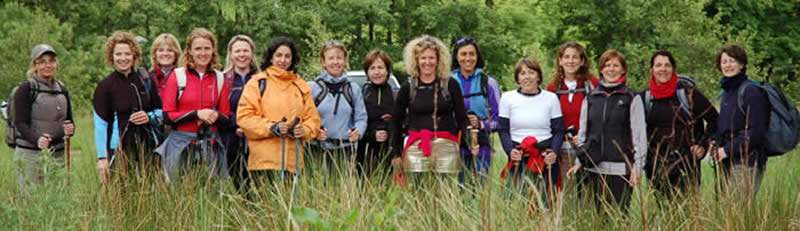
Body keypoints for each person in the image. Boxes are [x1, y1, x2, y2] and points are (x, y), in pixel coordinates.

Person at [566, 49, 646, 215]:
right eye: (607, 65)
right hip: (593, 169)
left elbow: (639, 136)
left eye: (616, 65)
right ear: (601, 69)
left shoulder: (631, 97)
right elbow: (583, 134)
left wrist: (638, 168)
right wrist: (579, 162)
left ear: (623, 69)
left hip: (620, 169)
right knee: (597, 219)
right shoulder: (591, 98)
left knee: (619, 218)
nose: (611, 69)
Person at [236, 36, 321, 187]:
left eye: (287, 56)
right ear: (271, 57)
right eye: (279, 55)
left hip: (292, 162)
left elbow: (313, 120)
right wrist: (271, 127)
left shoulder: (301, 86)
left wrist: (305, 130)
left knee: (291, 208)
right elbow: (245, 117)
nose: (283, 60)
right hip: (263, 162)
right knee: (266, 208)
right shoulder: (257, 83)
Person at [155, 28, 232, 183]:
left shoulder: (219, 78)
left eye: (207, 48)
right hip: (180, 144)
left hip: (211, 144)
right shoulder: (177, 76)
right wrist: (197, 114)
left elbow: (226, 117)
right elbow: (167, 116)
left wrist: (215, 116)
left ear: (213, 50)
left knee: (212, 194)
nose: (202, 53)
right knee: (179, 195)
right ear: (189, 51)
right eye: (198, 49)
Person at [390, 35, 468, 184]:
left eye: (431, 58)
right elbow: (396, 120)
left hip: (447, 145)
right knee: (417, 192)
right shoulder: (409, 86)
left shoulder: (450, 84)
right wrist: (396, 152)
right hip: (416, 146)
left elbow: (461, 118)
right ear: (416, 60)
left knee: (446, 192)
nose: (427, 62)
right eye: (423, 58)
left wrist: (469, 143)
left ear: (438, 60)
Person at [641, 50, 718, 199]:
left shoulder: (688, 94)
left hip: (686, 164)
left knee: (688, 212)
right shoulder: (644, 97)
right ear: (651, 70)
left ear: (673, 69)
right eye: (658, 65)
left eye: (667, 65)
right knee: (663, 213)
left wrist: (703, 145)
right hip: (655, 165)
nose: (663, 69)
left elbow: (714, 119)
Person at [94, 31, 163, 184]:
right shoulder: (105, 86)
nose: (123, 58)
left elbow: (161, 111)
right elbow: (100, 124)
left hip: (147, 147)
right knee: (122, 194)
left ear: (134, 56)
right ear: (111, 56)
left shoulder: (146, 79)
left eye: (127, 54)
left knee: (149, 193)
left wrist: (149, 117)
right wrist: (102, 158)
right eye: (118, 54)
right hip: (119, 150)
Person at [498, 58, 563, 208]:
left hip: (544, 157)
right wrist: (509, 151)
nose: (527, 77)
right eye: (523, 73)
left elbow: (559, 130)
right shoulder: (507, 98)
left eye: (531, 72)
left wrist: (554, 152)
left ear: (538, 76)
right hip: (519, 155)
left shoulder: (551, 98)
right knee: (515, 202)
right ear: (517, 77)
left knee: (545, 203)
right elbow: (503, 129)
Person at [13, 44, 74, 192]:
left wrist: (71, 129)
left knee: (57, 199)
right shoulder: (26, 88)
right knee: (31, 200)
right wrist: (37, 140)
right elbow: (20, 122)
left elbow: (69, 120)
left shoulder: (62, 88)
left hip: (57, 154)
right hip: (30, 155)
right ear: (35, 65)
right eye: (42, 61)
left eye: (51, 61)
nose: (48, 65)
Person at [711, 44, 769, 200]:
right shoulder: (728, 92)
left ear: (741, 64)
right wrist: (714, 142)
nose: (728, 65)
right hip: (727, 161)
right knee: (727, 213)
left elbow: (756, 132)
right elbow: (724, 127)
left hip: (747, 162)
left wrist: (726, 150)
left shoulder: (751, 91)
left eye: (732, 61)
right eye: (724, 62)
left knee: (739, 212)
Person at [308, 40, 367, 176]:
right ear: (323, 62)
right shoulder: (313, 88)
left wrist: (358, 132)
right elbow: (305, 117)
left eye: (339, 58)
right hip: (318, 149)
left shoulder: (353, 89)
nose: (336, 62)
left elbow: (361, 117)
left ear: (345, 61)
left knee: (343, 192)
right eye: (331, 58)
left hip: (345, 150)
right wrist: (315, 132)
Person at [545, 42, 599, 190]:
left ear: (582, 61)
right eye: (566, 57)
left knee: (588, 194)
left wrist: (584, 136)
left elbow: (600, 115)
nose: (571, 61)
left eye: (575, 57)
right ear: (560, 61)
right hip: (563, 149)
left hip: (587, 148)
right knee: (567, 193)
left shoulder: (592, 84)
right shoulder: (554, 87)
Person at [450, 37, 501, 186]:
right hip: (455, 145)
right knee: (458, 191)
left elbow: (500, 120)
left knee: (480, 190)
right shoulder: (447, 82)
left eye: (472, 54)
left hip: (482, 146)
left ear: (477, 56)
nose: (468, 58)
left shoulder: (489, 83)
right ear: (456, 57)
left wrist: (481, 124)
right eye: (463, 54)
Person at [221, 35, 259, 193]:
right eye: (237, 51)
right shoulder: (223, 80)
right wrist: (238, 124)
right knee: (237, 185)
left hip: (258, 140)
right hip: (230, 140)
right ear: (230, 54)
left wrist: (250, 127)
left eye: (245, 50)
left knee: (259, 185)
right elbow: (218, 111)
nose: (242, 55)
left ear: (252, 53)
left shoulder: (262, 79)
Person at [356, 49, 396, 176]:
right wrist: (373, 134)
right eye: (372, 68)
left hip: (390, 155)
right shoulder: (361, 95)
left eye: (380, 67)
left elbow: (404, 123)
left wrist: (389, 128)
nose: (377, 72)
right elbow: (356, 123)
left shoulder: (397, 95)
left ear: (387, 71)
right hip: (365, 154)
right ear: (367, 72)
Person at [149, 33, 182, 98]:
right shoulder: (147, 78)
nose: (165, 53)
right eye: (161, 50)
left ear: (176, 53)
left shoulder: (183, 77)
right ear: (155, 54)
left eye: (170, 50)